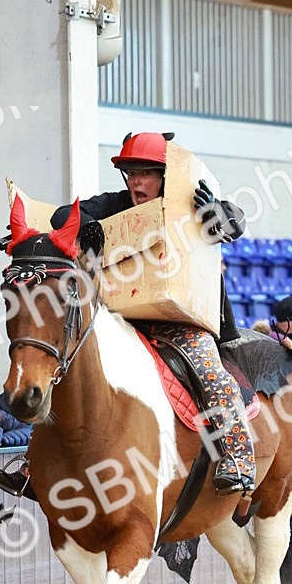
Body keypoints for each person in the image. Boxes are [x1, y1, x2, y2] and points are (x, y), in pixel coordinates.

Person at [48, 131, 255, 496]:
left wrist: (215, 214)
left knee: (211, 373)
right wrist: (89, 225)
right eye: (131, 173)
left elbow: (235, 222)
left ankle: (239, 458)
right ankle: (38, 463)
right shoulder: (116, 202)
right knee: (64, 363)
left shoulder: (191, 201)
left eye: (145, 173)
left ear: (164, 176)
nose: (136, 182)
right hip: (124, 318)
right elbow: (61, 216)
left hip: (181, 322)